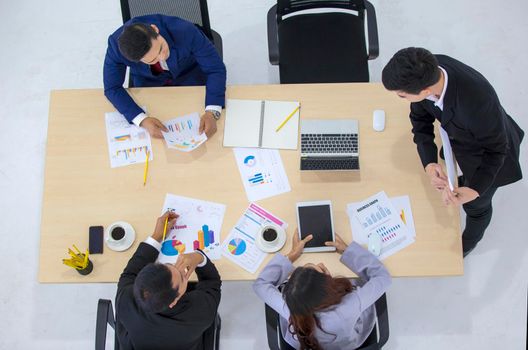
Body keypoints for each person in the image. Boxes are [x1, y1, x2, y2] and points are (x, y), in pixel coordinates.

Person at [382, 47, 524, 257]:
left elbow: (496, 151)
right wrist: (430, 163)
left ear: (425, 91)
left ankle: (469, 243)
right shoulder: (430, 68)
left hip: (492, 153)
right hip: (465, 135)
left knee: (477, 208)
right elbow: (420, 121)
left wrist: (475, 190)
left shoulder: (476, 105)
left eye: (402, 96)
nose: (399, 98)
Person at [253, 230, 391, 350]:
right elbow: (383, 277)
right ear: (326, 281)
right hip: (347, 344)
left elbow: (260, 285)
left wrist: (291, 255)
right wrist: (347, 251)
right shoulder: (351, 303)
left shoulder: (290, 308)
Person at [104, 14, 227, 139]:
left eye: (161, 48)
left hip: (188, 75)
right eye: (152, 60)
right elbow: (112, 88)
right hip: (149, 82)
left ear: (155, 29)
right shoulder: (116, 48)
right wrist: (141, 119)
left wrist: (212, 111)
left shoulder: (185, 30)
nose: (162, 57)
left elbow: (215, 69)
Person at [115, 211, 221, 350]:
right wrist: (199, 258)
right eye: (183, 277)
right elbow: (212, 284)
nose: (179, 266)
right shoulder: (199, 312)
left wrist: (157, 236)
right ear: (174, 301)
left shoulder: (124, 300)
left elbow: (129, 274)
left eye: (167, 265)